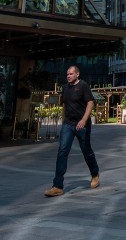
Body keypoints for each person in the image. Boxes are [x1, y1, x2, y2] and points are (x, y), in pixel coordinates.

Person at [44, 65, 100, 197]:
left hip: (82, 125)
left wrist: (84, 119)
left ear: (77, 74)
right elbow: (64, 104)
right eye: (67, 74)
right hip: (68, 125)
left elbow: (90, 103)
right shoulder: (65, 88)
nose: (68, 76)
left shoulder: (83, 86)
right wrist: (63, 120)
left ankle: (95, 174)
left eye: (71, 74)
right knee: (62, 151)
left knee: (86, 151)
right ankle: (57, 186)